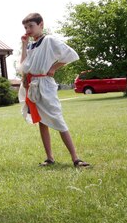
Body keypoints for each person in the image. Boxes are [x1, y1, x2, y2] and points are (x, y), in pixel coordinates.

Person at [18, 12, 90, 168]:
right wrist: (24, 45)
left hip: (45, 84)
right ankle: (49, 157)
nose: (28, 30)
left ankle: (75, 158)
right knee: (41, 122)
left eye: (31, 26)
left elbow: (71, 55)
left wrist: (54, 67)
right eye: (25, 27)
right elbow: (23, 66)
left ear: (41, 25)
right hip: (32, 84)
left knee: (57, 119)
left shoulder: (49, 40)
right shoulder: (30, 45)